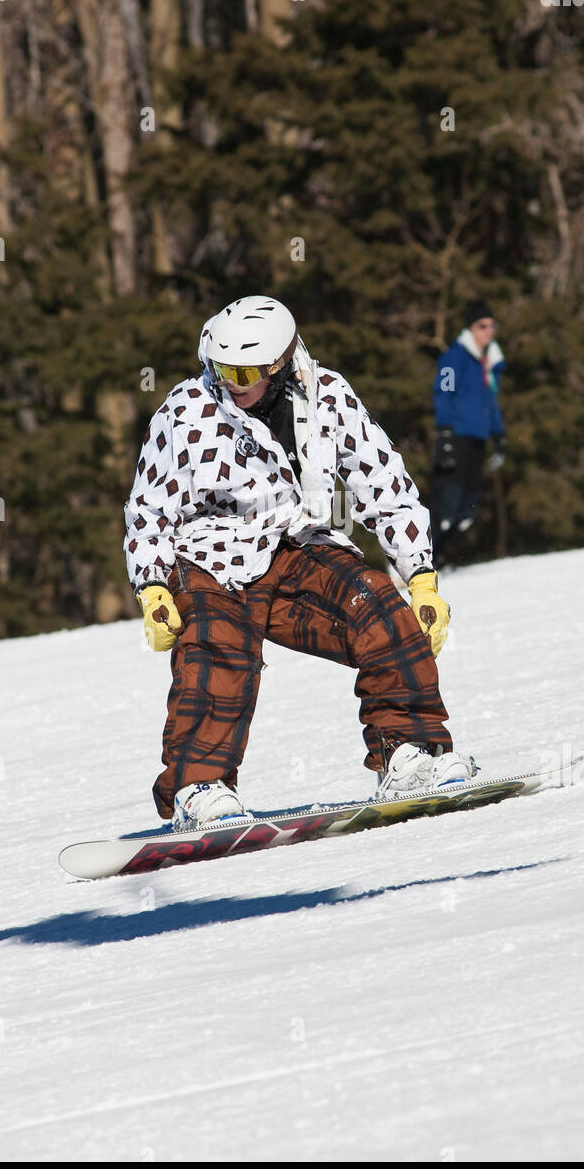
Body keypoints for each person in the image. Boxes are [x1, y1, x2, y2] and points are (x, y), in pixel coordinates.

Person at [124, 295, 475, 830]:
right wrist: (151, 587)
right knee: (219, 647)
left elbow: (382, 482)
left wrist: (420, 576)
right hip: (212, 557)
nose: (232, 383)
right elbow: (148, 506)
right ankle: (199, 789)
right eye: (221, 368)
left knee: (379, 608)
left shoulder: (328, 398)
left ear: (281, 363)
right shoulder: (187, 410)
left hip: (297, 544)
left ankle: (410, 753)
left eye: (244, 371)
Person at [430, 300, 507, 569]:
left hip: (479, 439)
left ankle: (440, 558)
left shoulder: (489, 362)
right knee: (446, 508)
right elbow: (444, 392)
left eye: (492, 325)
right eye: (482, 325)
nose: (488, 331)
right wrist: (445, 433)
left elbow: (491, 402)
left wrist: (499, 437)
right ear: (471, 328)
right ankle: (420, 560)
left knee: (467, 512)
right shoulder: (456, 357)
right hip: (457, 437)